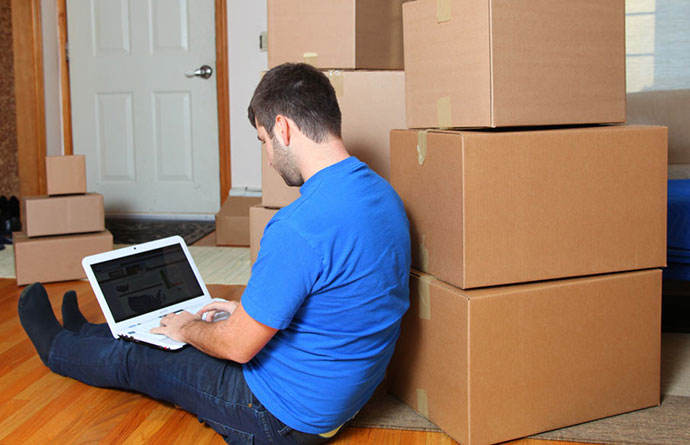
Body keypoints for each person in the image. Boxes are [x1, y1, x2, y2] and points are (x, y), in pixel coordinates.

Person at [18, 63, 411, 445]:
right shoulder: (382, 195)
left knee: (146, 358)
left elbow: (238, 347)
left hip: (280, 418)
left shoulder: (299, 226)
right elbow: (338, 299)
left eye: (263, 141)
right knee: (183, 330)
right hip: (338, 398)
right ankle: (88, 333)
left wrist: (188, 328)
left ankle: (56, 348)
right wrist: (242, 312)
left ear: (283, 128)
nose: (269, 158)